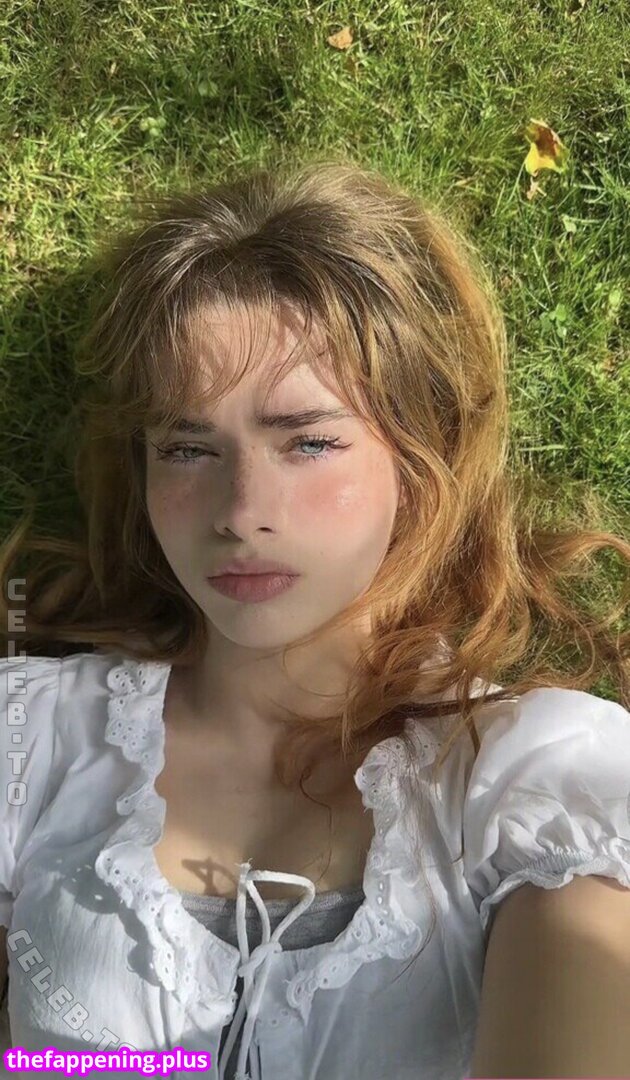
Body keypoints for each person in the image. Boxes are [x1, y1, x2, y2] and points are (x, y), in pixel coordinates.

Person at [0, 159, 628, 1080]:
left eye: (309, 441)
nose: (241, 512)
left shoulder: (533, 782)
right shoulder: (31, 740)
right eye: (188, 449)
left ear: (421, 457)